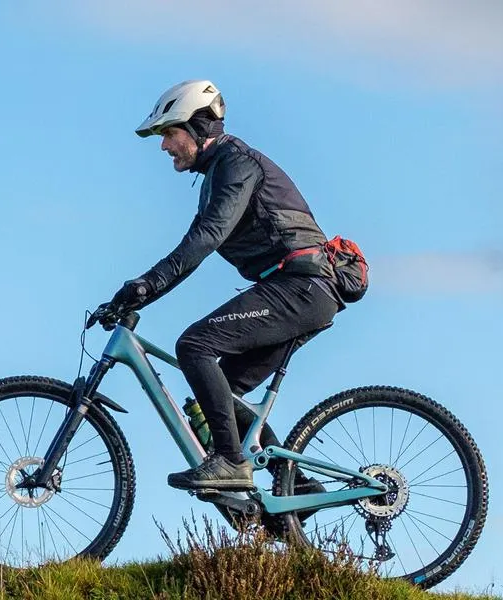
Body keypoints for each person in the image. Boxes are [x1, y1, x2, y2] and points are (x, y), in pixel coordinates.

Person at [106, 80, 342, 494]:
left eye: (169, 133)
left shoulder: (236, 164)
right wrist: (145, 288)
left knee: (194, 346)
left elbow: (205, 238)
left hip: (301, 286)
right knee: (222, 399)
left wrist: (147, 285)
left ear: (199, 126)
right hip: (296, 290)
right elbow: (200, 240)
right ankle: (298, 493)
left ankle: (231, 463)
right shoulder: (219, 171)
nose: (164, 146)